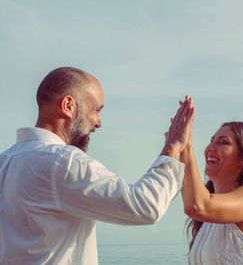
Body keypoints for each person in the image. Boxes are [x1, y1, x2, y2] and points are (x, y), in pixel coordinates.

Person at [0, 67, 195, 264]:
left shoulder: (5, 161)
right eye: (96, 110)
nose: (98, 122)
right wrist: (173, 147)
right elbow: (145, 206)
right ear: (68, 105)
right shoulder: (63, 162)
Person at [181, 121, 243, 265]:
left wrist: (185, 146)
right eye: (211, 141)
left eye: (223, 142)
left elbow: (196, 205)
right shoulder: (208, 220)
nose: (210, 148)